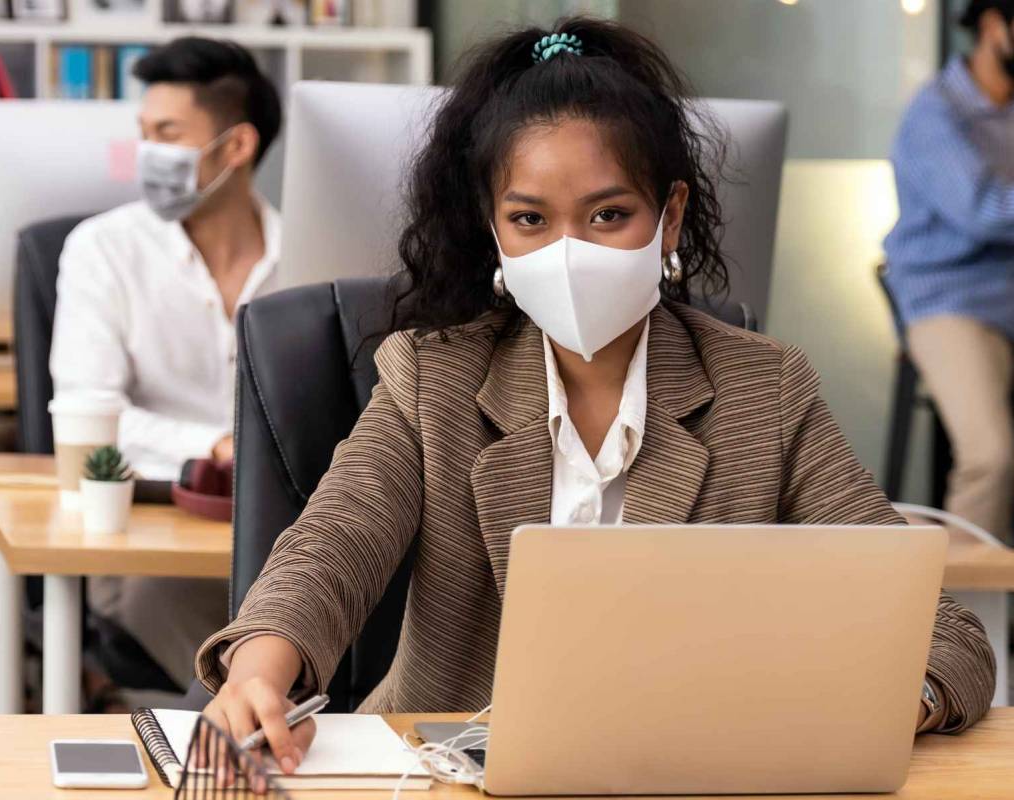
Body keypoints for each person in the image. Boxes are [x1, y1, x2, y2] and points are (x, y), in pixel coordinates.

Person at [196, 18, 997, 769]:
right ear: (492, 230)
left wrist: (894, 701)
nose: (568, 250)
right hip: (440, 772)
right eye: (530, 219)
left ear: (670, 216)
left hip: (679, 775)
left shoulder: (766, 390)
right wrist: (262, 670)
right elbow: (332, 546)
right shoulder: (430, 375)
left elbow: (941, 630)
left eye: (608, 214)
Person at [49, 37, 283, 696]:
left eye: (167, 133)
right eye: (143, 132)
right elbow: (91, 418)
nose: (147, 152)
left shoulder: (309, 254)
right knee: (189, 618)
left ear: (235, 147)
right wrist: (212, 445)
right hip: (147, 535)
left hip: (276, 536)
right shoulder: (103, 250)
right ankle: (252, 754)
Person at [884, 0, 1014, 545]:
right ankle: (961, 617)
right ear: (992, 26)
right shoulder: (935, 113)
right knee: (992, 456)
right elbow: (981, 210)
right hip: (950, 301)